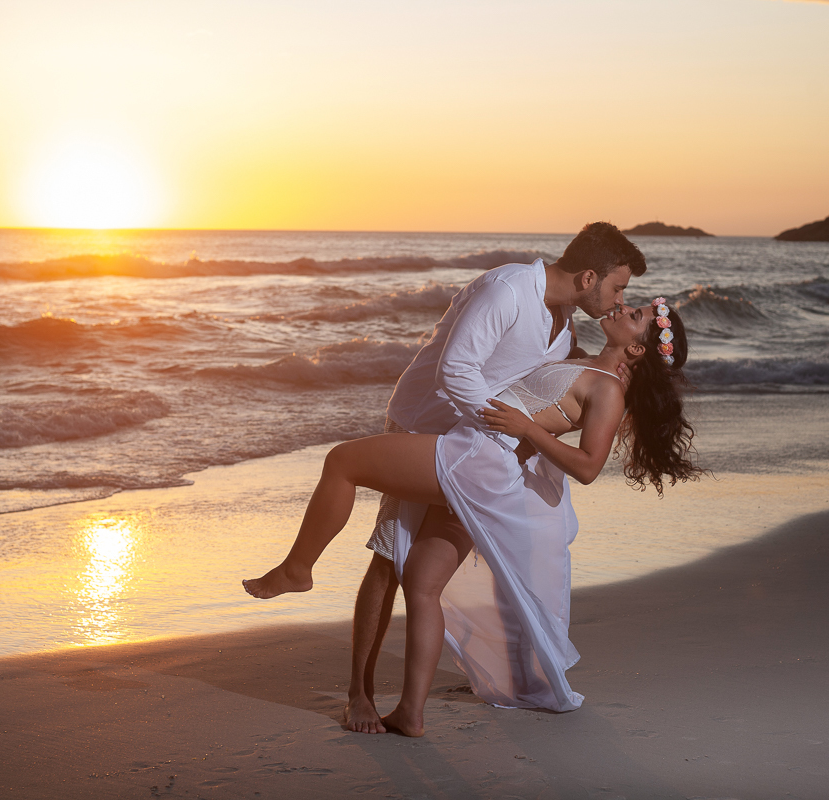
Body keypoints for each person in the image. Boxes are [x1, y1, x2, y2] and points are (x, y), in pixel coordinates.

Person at [246, 222, 644, 733]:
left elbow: (552, 405)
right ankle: (366, 696)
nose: (618, 300)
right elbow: (456, 371)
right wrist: (505, 433)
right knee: (397, 564)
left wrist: (506, 438)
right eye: (618, 288)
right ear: (589, 276)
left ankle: (311, 589)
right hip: (424, 424)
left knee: (397, 559)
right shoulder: (507, 291)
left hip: (467, 448)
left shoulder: (565, 326)